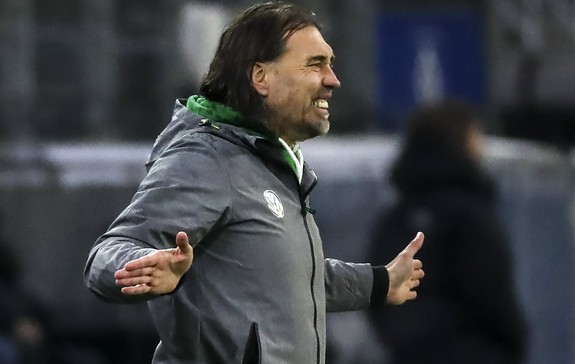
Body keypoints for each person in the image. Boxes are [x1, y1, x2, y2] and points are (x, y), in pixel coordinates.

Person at [83, 2, 425, 364]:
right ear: (260, 77)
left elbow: (282, 281)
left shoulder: (270, 162)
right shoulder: (207, 158)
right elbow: (109, 252)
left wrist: (381, 282)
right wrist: (145, 263)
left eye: (330, 63)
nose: (332, 80)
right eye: (315, 64)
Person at [368, 100, 529, 364]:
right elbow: (491, 292)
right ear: (462, 141)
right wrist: (512, 346)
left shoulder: (395, 219)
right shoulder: (470, 216)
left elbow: (376, 292)